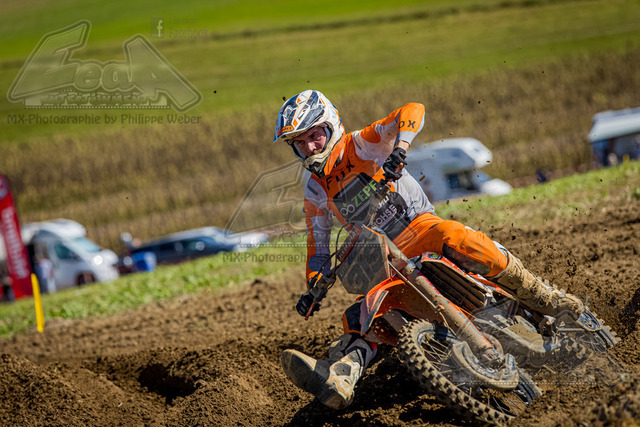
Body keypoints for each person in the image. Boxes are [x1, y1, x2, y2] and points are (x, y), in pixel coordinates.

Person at [273, 89, 584, 410]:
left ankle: (543, 297)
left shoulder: (363, 143)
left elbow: (412, 109)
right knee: (361, 314)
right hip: (380, 258)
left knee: (459, 238)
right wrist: (313, 286)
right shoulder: (314, 189)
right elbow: (317, 245)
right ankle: (340, 376)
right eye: (300, 142)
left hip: (420, 229)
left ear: (331, 126)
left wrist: (400, 149)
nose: (310, 147)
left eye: (315, 136)